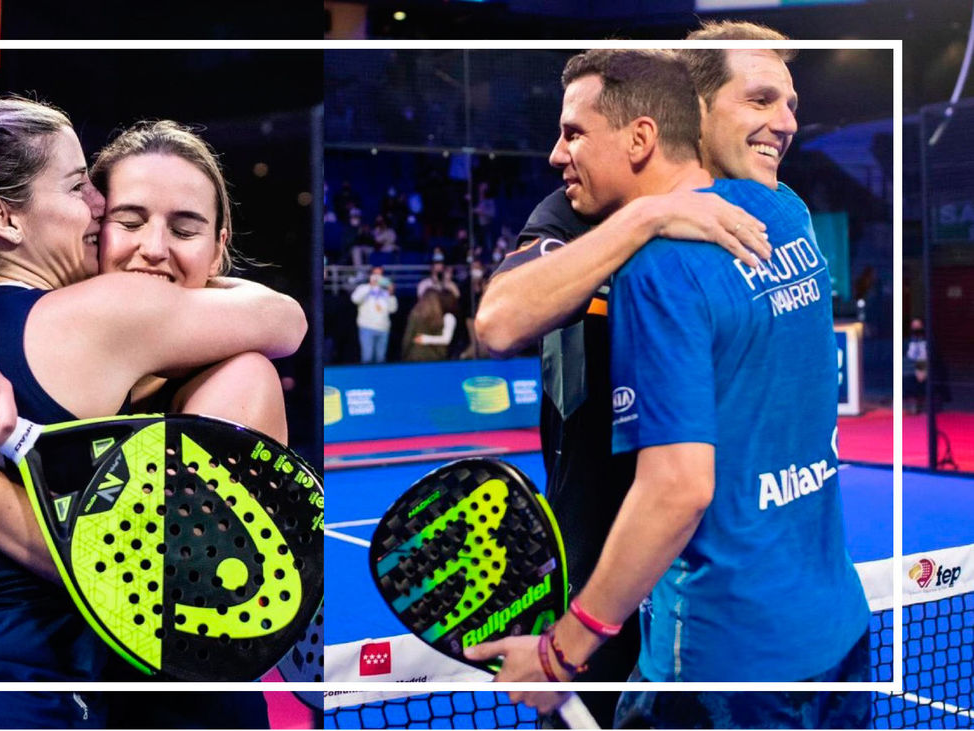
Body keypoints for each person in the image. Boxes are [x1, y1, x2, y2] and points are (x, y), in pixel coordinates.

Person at [0, 102, 305, 729]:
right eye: (90, 192)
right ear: (2, 217)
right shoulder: (104, 317)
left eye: (185, 228)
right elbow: (286, 319)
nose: (102, 209)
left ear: (221, 246)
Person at [467, 49, 870, 729]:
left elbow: (680, 485)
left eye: (572, 132)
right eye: (761, 101)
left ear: (647, 134)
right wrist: (646, 218)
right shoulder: (584, 210)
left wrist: (565, 648)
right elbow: (499, 322)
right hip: (627, 573)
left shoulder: (755, 218)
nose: (782, 125)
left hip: (707, 626)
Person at [351, 265, 398, 363]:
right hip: (367, 328)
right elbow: (355, 299)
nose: (378, 277)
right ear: (370, 275)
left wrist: (391, 294)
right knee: (367, 358)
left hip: (383, 329)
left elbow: (393, 309)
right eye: (375, 274)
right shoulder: (363, 288)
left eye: (380, 274)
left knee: (381, 359)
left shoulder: (386, 292)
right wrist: (370, 286)